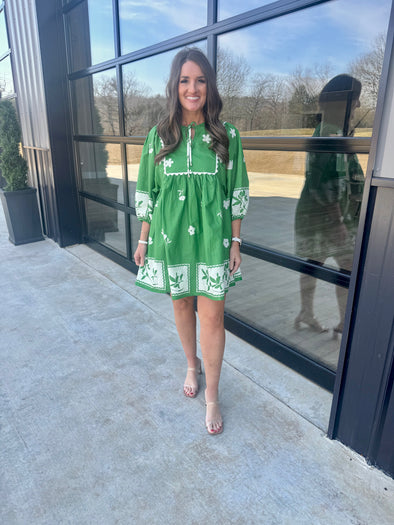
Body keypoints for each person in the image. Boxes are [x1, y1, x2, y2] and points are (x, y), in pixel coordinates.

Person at [133, 48, 249, 434]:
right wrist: (144, 241)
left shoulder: (227, 135)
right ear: (174, 85)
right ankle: (190, 364)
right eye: (185, 80)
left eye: (200, 80)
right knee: (181, 304)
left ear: (209, 86)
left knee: (213, 316)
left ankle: (212, 396)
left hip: (213, 241)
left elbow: (236, 192)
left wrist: (235, 242)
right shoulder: (159, 135)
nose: (192, 87)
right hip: (170, 239)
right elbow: (148, 193)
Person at [294, 74, 364, 335]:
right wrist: (337, 222)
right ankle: (341, 322)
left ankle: (307, 312)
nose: (358, 105)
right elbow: (328, 183)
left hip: (322, 215)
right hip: (329, 217)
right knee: (347, 267)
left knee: (315, 262)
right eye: (355, 98)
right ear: (343, 101)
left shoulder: (332, 131)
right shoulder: (330, 133)